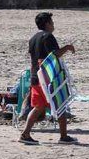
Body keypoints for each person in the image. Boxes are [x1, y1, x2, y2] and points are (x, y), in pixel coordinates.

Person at [19, 12, 77, 145]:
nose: (53, 25)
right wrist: (67, 47)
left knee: (38, 106)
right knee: (60, 103)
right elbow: (55, 54)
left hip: (35, 76)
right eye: (52, 22)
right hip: (47, 78)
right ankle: (63, 137)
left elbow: (34, 57)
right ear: (47, 24)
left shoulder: (33, 38)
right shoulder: (48, 36)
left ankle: (25, 134)